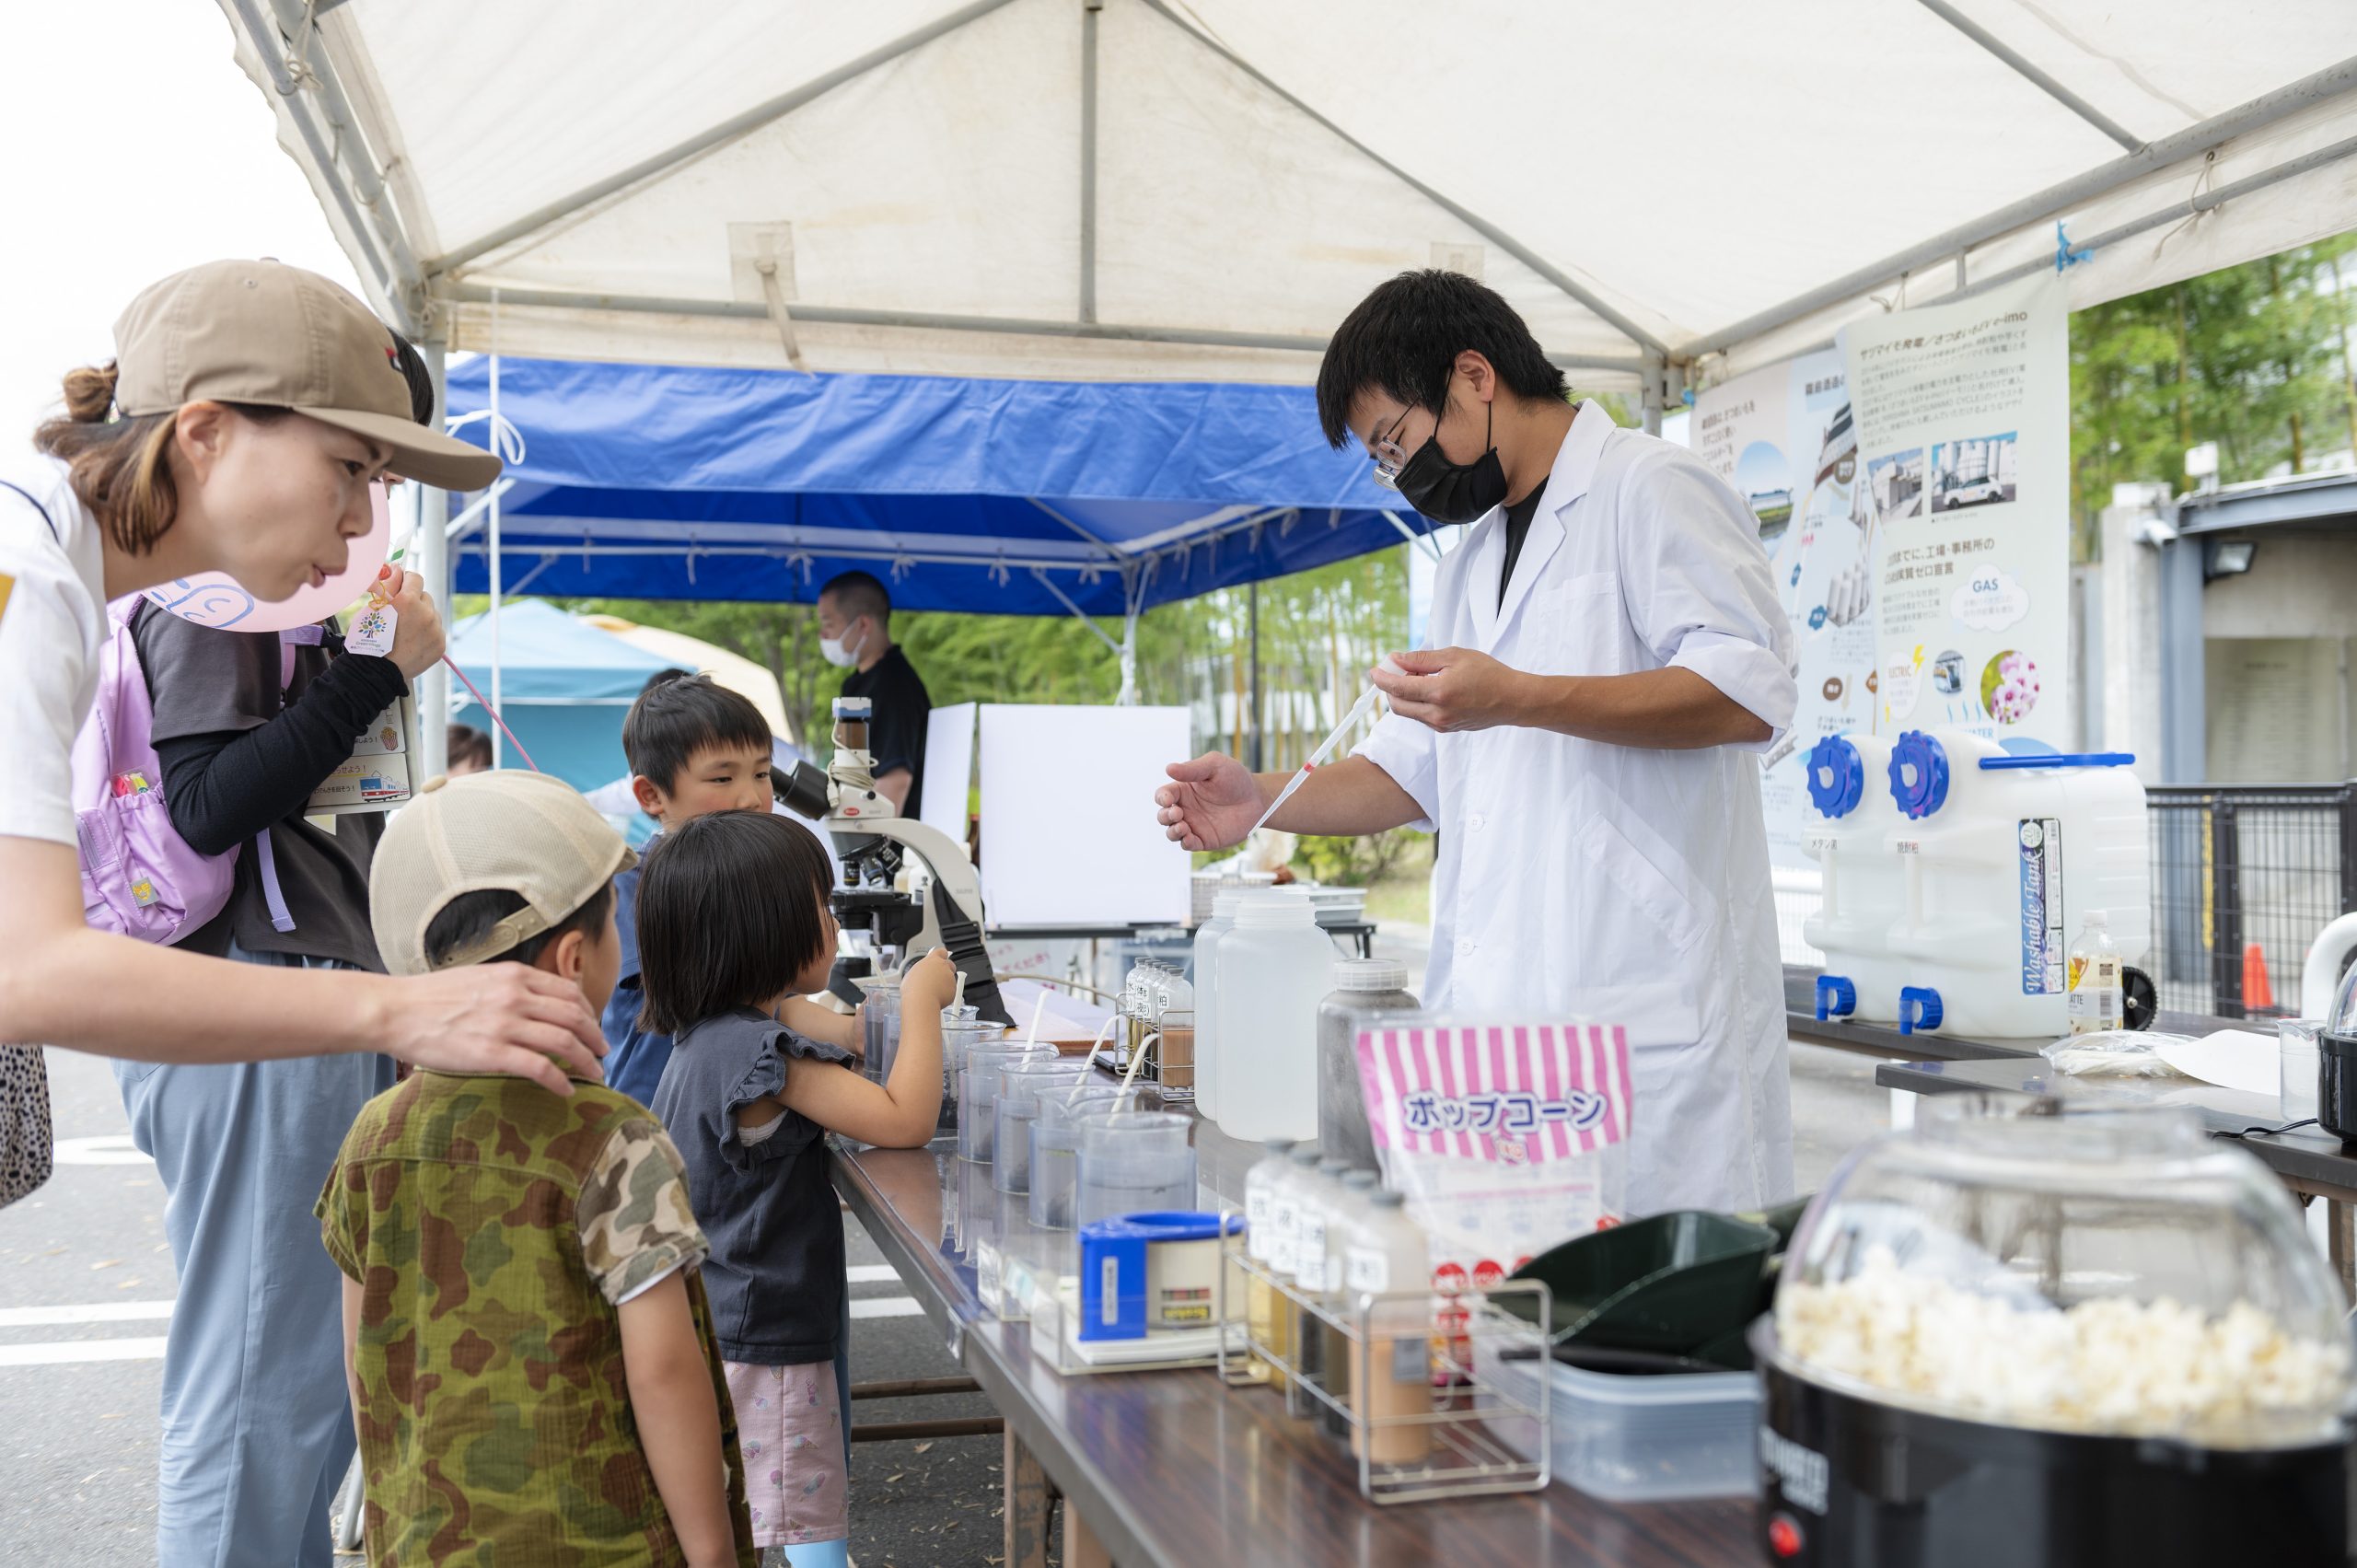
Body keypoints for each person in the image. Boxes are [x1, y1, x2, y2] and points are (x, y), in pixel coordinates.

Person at [1155, 270, 1799, 1217]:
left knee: (1651, 1323)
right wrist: (1263, 799)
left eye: (1395, 441)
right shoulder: (1469, 569)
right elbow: (1411, 769)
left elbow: (1747, 694)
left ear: (1472, 376)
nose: (1400, 473)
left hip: (1644, 1014)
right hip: (1503, 1038)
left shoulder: (1650, 488)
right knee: (1503, 1317)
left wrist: (1520, 696)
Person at [0, 259, 605, 1206]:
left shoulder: (61, 579)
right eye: (348, 470)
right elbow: (26, 966)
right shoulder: (28, 582)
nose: (367, 517)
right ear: (203, 432)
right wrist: (398, 1008)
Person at [319, 770, 755, 1567]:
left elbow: (367, 1360)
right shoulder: (613, 1137)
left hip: (427, 1538)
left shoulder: (372, 1135)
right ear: (573, 959)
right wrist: (712, 1552)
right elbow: (663, 1372)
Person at [118, 537, 444, 1564]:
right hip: (259, 978)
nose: (361, 505)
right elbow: (207, 803)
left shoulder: (263, 587)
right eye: (352, 463)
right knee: (263, 1377)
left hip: (284, 981)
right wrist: (375, 668)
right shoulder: (220, 587)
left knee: (299, 1379)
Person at [638, 811, 954, 1568]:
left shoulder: (714, 1030)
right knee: (796, 1522)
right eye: (821, 907)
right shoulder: (759, 1057)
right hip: (765, 1336)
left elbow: (827, 1026)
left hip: (724, 1319)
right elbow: (903, 1120)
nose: (834, 921)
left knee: (760, 1514)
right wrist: (920, 1002)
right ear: (766, 932)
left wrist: (858, 1021)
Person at [603, 670, 859, 1107]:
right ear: (651, 795)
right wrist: (850, 1033)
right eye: (723, 779)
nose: (751, 798)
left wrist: (858, 1032)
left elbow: (775, 998)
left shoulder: (756, 879)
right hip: (651, 1117)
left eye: (762, 774)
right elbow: (707, 998)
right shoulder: (631, 887)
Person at [817, 570, 931, 815]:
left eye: (828, 624)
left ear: (863, 624)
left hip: (892, 842)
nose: (822, 635)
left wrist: (868, 844)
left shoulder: (895, 686)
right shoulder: (855, 684)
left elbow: (895, 780)